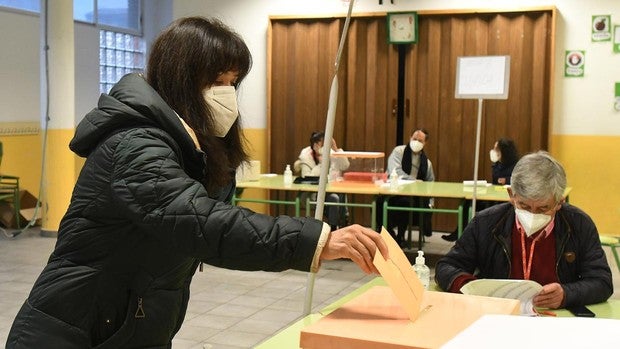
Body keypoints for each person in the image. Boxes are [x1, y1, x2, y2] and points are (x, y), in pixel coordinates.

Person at [6, 17, 388, 349]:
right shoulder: (135, 143)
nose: (227, 93)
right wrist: (315, 240)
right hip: (74, 332)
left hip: (128, 325)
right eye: (216, 80)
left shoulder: (192, 146)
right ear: (180, 79)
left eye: (233, 82)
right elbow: (197, 221)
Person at [435, 151, 612, 309]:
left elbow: (602, 281)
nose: (533, 214)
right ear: (511, 195)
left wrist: (566, 294)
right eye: (524, 206)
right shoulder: (486, 223)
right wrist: (472, 288)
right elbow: (446, 267)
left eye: (543, 209)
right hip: (498, 316)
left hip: (556, 318)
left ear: (560, 202)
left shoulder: (579, 224)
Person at [442, 137, 520, 242]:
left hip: (502, 199)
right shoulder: (498, 164)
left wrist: (506, 180)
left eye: (496, 149)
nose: (493, 152)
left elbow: (518, 179)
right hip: (491, 196)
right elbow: (496, 179)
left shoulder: (516, 165)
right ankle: (459, 233)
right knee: (467, 202)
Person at [377, 129, 435, 246]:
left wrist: (431, 201)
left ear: (425, 143)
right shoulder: (399, 151)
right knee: (378, 203)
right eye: (414, 139)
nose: (416, 142)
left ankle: (401, 236)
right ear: (410, 138)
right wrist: (413, 181)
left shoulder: (426, 162)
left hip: (413, 196)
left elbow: (430, 182)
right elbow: (395, 170)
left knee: (406, 203)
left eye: (420, 140)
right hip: (393, 191)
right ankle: (389, 234)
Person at [296, 131, 350, 230]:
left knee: (341, 195)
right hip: (312, 193)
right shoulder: (306, 155)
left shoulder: (330, 152)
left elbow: (345, 165)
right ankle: (333, 227)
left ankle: (343, 224)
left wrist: (336, 149)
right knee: (334, 198)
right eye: (323, 144)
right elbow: (307, 177)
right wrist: (322, 163)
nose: (326, 146)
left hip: (331, 189)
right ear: (315, 145)